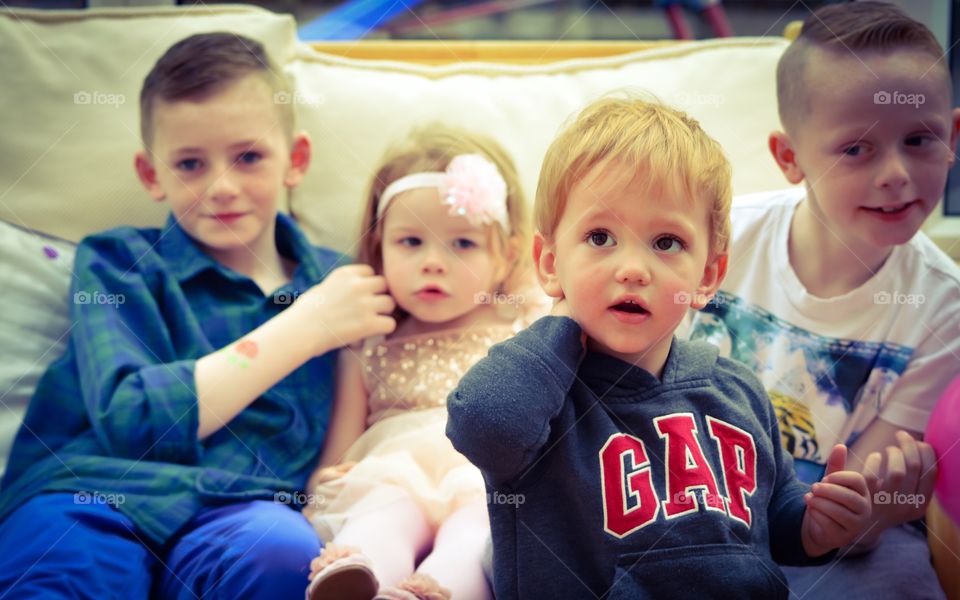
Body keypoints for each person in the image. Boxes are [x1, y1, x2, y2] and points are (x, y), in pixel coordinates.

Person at [0, 32, 396, 599]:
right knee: (68, 567)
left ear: (296, 160)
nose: (221, 187)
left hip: (242, 512)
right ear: (150, 174)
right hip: (94, 491)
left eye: (249, 156)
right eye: (189, 163)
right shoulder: (118, 266)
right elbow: (133, 423)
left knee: (281, 551)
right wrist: (306, 326)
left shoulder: (348, 283)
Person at [446, 96, 879, 598]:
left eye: (666, 242)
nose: (633, 268)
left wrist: (816, 527)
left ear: (708, 274)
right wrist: (565, 316)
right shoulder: (539, 398)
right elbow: (482, 425)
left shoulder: (736, 389)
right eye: (600, 237)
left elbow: (774, 509)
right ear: (548, 262)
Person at [687, 3, 957, 597]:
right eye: (856, 149)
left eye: (919, 139)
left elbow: (847, 518)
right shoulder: (720, 236)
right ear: (789, 158)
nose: (895, 174)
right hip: (686, 506)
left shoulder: (945, 311)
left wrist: (875, 510)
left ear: (953, 138)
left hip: (827, 545)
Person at [304, 124, 535, 600]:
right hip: (390, 473)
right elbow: (340, 450)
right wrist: (324, 479)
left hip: (483, 474)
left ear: (507, 254)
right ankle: (358, 569)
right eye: (411, 242)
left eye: (462, 243)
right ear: (378, 245)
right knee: (384, 513)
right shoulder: (369, 337)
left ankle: (436, 590)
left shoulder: (522, 325)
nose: (433, 262)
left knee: (476, 530)